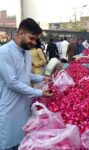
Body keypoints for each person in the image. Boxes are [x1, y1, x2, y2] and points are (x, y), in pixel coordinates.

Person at [0, 18, 52, 150]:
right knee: (9, 144)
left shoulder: (26, 52)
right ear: (21, 33)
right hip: (9, 109)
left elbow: (25, 74)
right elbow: (12, 82)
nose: (34, 42)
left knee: (22, 142)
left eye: (36, 39)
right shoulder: (4, 52)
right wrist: (39, 93)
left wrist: (43, 78)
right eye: (32, 38)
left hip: (24, 108)